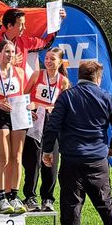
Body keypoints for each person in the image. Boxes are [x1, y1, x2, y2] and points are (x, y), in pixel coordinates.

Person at [42, 61, 112, 225]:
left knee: (71, 204)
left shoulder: (66, 97)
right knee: (105, 203)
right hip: (98, 159)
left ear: (78, 76)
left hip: (72, 159)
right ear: (98, 78)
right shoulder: (106, 97)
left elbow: (52, 126)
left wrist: (47, 151)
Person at [22, 47, 70, 212]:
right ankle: (30, 197)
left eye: (52, 59)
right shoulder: (37, 75)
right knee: (32, 162)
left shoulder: (63, 81)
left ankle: (48, 198)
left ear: (60, 62)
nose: (48, 62)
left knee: (50, 162)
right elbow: (24, 95)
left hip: (52, 123)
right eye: (47, 58)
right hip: (35, 121)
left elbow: (64, 105)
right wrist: (29, 109)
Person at [0, 40, 26, 214]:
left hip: (19, 116)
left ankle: (14, 195)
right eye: (7, 51)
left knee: (17, 157)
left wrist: (29, 109)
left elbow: (23, 95)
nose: (10, 55)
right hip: (1, 117)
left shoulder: (21, 73)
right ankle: (1, 195)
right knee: (4, 156)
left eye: (13, 52)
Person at [0, 8, 66, 76]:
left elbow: (46, 42)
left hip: (19, 92)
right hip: (0, 93)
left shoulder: (25, 41)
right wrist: (8, 63)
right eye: (21, 25)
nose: (24, 28)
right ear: (9, 26)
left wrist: (57, 21)